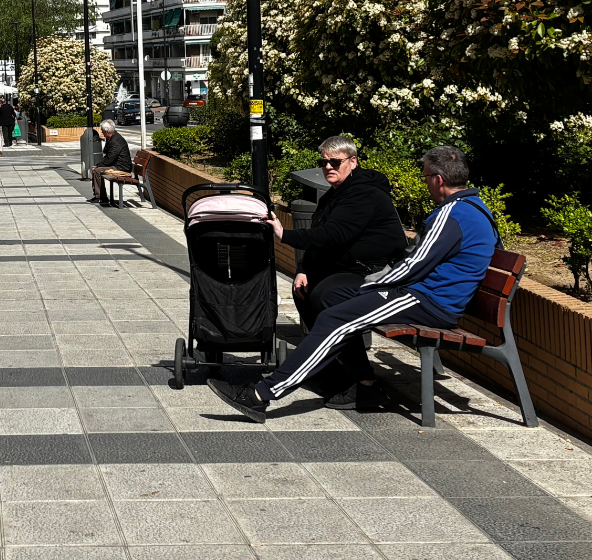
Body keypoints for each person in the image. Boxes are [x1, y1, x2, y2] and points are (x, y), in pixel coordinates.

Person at [209, 146, 499, 423]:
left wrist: (373, 286)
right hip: (428, 296)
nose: (425, 184)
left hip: (428, 301)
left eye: (425, 177)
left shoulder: (452, 214)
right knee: (332, 298)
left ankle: (261, 394)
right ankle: (366, 385)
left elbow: (415, 264)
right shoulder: (478, 209)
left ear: (438, 179)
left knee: (338, 317)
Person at [268, 135, 407, 409]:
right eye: (324, 162)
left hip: (379, 275)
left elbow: (334, 235)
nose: (328, 167)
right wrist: (303, 269)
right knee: (305, 290)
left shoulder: (364, 194)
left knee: (327, 297)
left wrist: (286, 235)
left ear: (352, 162)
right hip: (352, 269)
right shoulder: (336, 193)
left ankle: (366, 385)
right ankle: (337, 373)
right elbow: (324, 238)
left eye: (335, 161)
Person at [89, 120, 132, 206]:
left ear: (106, 131)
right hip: (117, 165)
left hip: (122, 167)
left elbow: (110, 160)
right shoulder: (112, 138)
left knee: (97, 171)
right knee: (97, 170)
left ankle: (101, 197)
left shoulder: (115, 141)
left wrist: (97, 166)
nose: (101, 132)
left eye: (102, 130)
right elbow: (106, 152)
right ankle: (100, 196)